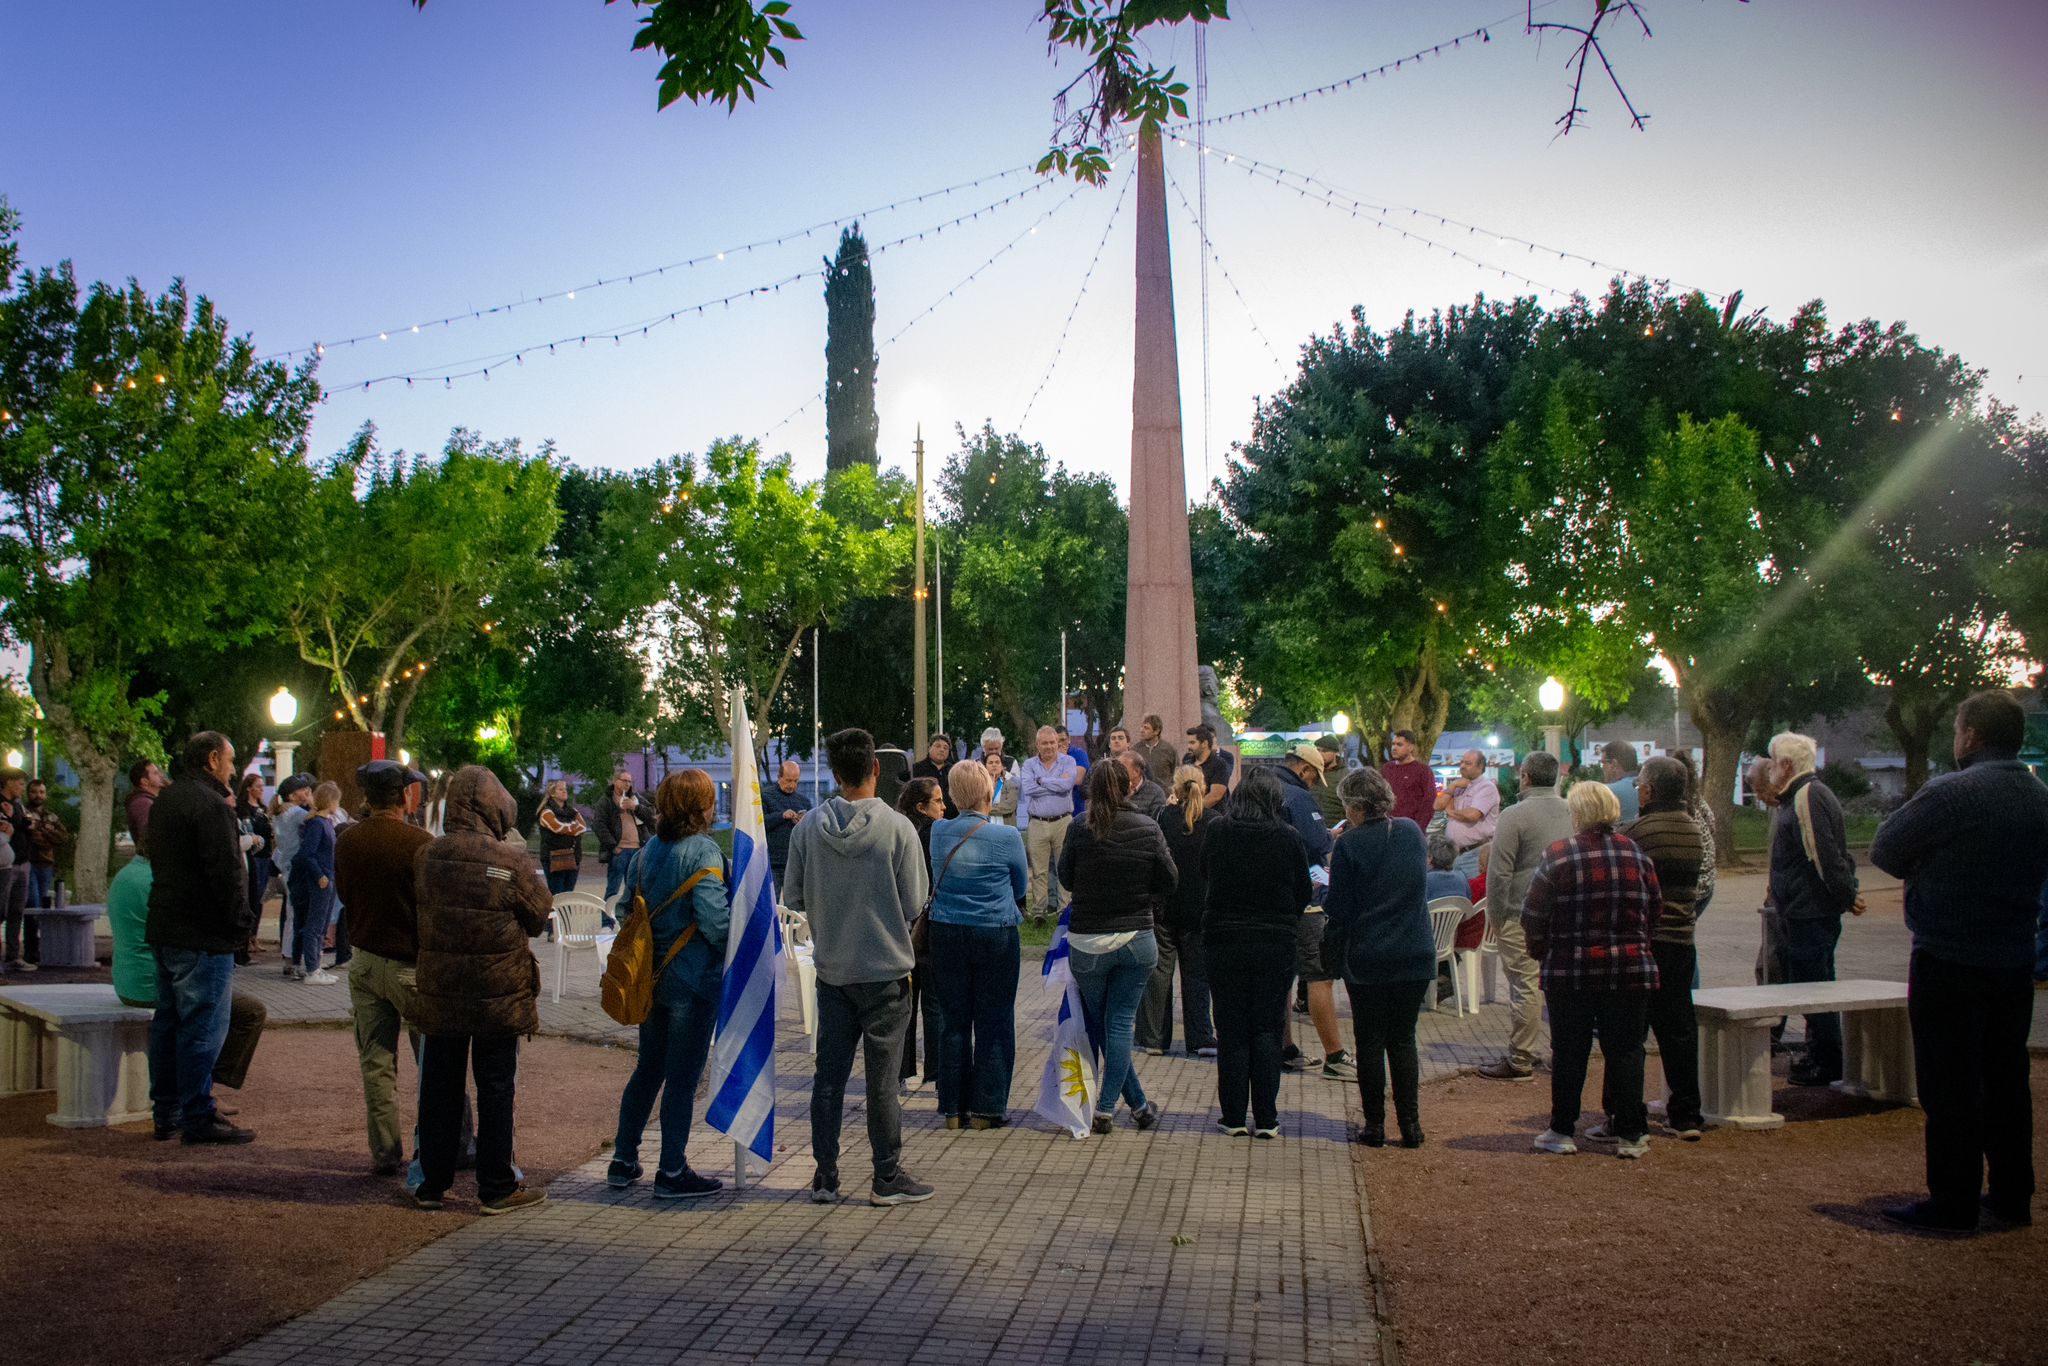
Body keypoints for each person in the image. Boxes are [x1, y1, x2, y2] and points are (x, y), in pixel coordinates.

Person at [1870, 689, 2048, 1233]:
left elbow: (1886, 848)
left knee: (1950, 1083)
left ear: (1969, 736)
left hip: (1948, 955)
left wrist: (1928, 869)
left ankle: (1953, 1200)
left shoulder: (1952, 793)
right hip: (2013, 955)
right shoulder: (2038, 796)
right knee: (2006, 1077)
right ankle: (2013, 1193)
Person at [782, 727, 934, 1207]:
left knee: (828, 1079)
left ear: (833, 773)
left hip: (833, 971)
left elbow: (793, 897)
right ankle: (885, 1176)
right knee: (882, 1082)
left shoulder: (807, 827)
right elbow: (915, 900)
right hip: (886, 971)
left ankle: (825, 1175)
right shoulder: (898, 828)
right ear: (874, 768)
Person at [410, 765, 553, 1215]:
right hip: (498, 992)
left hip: (442, 989)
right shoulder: (509, 861)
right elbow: (538, 914)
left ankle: (431, 1183)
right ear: (495, 809)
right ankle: (496, 1187)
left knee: (439, 1087)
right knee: (496, 1087)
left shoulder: (428, 856)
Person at [608, 769, 732, 1199]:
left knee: (647, 1070)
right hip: (694, 981)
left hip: (649, 979)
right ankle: (673, 1170)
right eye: (711, 800)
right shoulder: (704, 852)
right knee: (682, 1078)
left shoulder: (647, 853)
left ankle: (623, 1160)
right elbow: (716, 922)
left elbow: (626, 909)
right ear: (699, 808)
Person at [1523, 780, 1663, 1159]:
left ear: (1577, 813)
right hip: (1631, 968)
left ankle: (1562, 1130)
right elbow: (1654, 909)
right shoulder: (1636, 854)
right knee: (1627, 1051)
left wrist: (1542, 952)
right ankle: (1631, 1134)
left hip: (1571, 970)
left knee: (1570, 1051)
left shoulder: (1558, 855)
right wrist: (1638, 944)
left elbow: (1533, 914)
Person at [110, 837, 267, 1140]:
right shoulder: (155, 879)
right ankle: (203, 1090)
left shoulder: (128, 873)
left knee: (192, 1015)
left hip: (130, 977)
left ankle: (187, 1098)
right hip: (149, 981)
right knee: (245, 1012)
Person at [144, 732, 258, 1145]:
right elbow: (225, 873)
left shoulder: (167, 801)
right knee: (202, 1027)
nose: (233, 768)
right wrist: (241, 923)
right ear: (212, 759)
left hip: (167, 926)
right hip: (202, 934)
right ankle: (196, 1115)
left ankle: (166, 1111)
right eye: (230, 759)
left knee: (169, 1022)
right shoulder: (210, 805)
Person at [1058, 760, 1176, 1135]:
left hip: (1088, 942)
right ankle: (1129, 1105)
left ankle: (1112, 1107)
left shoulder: (1080, 827)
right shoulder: (1148, 826)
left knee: (1108, 1025)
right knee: (1120, 1024)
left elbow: (1064, 876)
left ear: (1090, 789)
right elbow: (1170, 879)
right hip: (1137, 938)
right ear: (1129, 788)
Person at [334, 759, 438, 1179]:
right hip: (409, 964)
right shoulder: (420, 842)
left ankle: (385, 1151)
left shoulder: (347, 840)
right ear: (403, 795)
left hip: (363, 961)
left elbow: (345, 895)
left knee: (376, 1063)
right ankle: (441, 1144)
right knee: (434, 1063)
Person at [1325, 766, 1435, 1148]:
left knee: (1369, 1041)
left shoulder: (1349, 845)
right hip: (1414, 952)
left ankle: (1374, 1126)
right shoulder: (1411, 832)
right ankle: (1411, 1126)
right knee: (1403, 1039)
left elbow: (1338, 907)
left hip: (1368, 957)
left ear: (1355, 805)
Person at [1201, 767, 1312, 1138]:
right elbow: (1303, 891)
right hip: (1274, 942)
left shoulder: (1218, 831)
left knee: (1231, 1028)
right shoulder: (1287, 837)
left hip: (1224, 940)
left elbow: (1205, 875)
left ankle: (1233, 1116)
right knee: (1267, 1028)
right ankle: (1267, 1117)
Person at [927, 760, 1028, 1130]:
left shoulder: (939, 832)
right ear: (989, 793)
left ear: (953, 795)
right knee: (995, 1020)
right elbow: (1020, 886)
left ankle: (953, 1108)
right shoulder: (1007, 837)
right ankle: (987, 1109)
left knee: (953, 1021)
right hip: (995, 932)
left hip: (947, 931)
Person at [1768, 731, 1861, 1087]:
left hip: (1809, 911)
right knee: (1814, 984)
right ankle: (1821, 1055)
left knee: (1814, 987)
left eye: (1774, 763)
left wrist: (1847, 895)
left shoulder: (1808, 796)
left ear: (1787, 765)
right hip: (1804, 909)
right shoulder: (1807, 795)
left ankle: (1827, 1060)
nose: (1772, 770)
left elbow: (1824, 854)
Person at [1621, 756, 1707, 1140]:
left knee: (1631, 1035)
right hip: (1682, 940)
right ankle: (1686, 1113)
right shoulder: (1692, 829)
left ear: (1650, 790)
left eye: (1640, 784)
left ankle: (1627, 1115)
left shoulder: (1642, 832)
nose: (1637, 790)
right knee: (1679, 1029)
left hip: (1647, 942)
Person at [1475, 752, 1572, 1082]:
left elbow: (1499, 871)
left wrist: (1496, 915)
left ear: (1526, 777)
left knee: (1525, 985)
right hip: (1566, 911)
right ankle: (1563, 1052)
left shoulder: (1514, 815)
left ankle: (1520, 1057)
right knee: (1560, 985)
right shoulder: (1572, 810)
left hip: (1521, 911)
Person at [1272, 745, 1347, 1078]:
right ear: (1303, 769)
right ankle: (1335, 1055)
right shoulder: (1299, 798)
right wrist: (1329, 837)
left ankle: (1284, 1047)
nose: (1314, 783)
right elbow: (1318, 845)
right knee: (1320, 976)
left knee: (1280, 978)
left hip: (1270, 901)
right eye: (1314, 776)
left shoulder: (1255, 787)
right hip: (1306, 899)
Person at [1145, 764, 1219, 1060]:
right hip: (1200, 908)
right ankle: (1201, 1036)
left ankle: (1155, 1038)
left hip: (1166, 906)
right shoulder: (1214, 821)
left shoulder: (1164, 817)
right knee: (1197, 975)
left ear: (1174, 788)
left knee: (1160, 972)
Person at [895, 776, 946, 1088]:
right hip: (931, 926)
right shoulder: (935, 835)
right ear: (921, 807)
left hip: (902, 928)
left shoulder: (899, 833)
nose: (944, 806)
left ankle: (901, 1071)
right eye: (938, 801)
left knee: (904, 1005)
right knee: (934, 1004)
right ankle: (937, 1073)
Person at [1020, 725, 1079, 924]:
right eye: (1044, 743)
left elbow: (1066, 786)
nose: (1049, 747)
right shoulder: (1029, 765)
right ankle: (1039, 912)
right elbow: (1028, 788)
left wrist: (1041, 781)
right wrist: (1053, 782)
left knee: (1065, 866)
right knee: (1039, 871)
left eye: (1053, 742)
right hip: (1037, 822)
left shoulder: (1068, 761)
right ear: (1037, 745)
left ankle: (1064, 910)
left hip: (1063, 820)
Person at [287, 782, 342, 984]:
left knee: (319, 923)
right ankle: (312, 968)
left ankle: (313, 965)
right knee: (315, 924)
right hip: (321, 880)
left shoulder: (322, 822)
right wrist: (320, 875)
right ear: (331, 801)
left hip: (327, 878)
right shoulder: (318, 824)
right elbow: (307, 854)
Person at [270, 775, 314, 973]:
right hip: (296, 869)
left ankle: (290, 957)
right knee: (296, 915)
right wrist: (314, 803)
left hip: (286, 867)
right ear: (293, 795)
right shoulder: (296, 813)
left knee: (291, 914)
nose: (308, 793)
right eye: (305, 790)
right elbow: (318, 818)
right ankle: (293, 958)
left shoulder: (281, 813)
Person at [594, 769, 651, 919]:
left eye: (630, 781)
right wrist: (614, 846)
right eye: (624, 780)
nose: (627, 784)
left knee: (633, 889)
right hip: (620, 851)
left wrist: (635, 807)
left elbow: (651, 815)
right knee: (613, 889)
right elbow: (599, 825)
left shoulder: (635, 798)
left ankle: (630, 921)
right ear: (615, 781)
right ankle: (606, 922)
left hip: (637, 849)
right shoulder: (607, 800)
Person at [1434, 750, 1499, 879]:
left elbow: (1472, 815)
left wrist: (1450, 811)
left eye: (1468, 763)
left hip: (1475, 854)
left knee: (1472, 895)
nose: (1462, 766)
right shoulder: (1458, 786)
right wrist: (1452, 786)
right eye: (1462, 762)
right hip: (1454, 855)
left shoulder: (1486, 787)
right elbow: (1437, 806)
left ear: (1480, 767)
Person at [233, 773, 273, 967]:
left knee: (259, 897)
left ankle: (254, 936)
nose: (261, 789)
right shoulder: (242, 810)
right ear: (249, 787)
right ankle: (246, 938)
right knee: (251, 895)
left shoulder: (263, 809)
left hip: (265, 854)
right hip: (252, 856)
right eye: (258, 785)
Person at [0, 770, 33, 971]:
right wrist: (12, 820)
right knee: (1, 909)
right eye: (20, 784)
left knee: (17, 910)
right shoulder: (2, 805)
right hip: (5, 867)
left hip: (22, 861)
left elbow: (19, 826)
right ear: (9, 783)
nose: (22, 788)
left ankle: (13, 955)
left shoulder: (18, 805)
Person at [758, 759, 811, 884]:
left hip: (795, 861)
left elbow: (811, 830)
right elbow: (759, 824)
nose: (792, 785)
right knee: (772, 902)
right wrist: (781, 816)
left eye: (796, 781)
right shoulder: (765, 796)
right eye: (788, 780)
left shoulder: (804, 801)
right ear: (779, 777)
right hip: (772, 862)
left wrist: (804, 822)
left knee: (795, 902)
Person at [24, 777, 68, 914]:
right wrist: (48, 834)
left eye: (42, 792)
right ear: (28, 793)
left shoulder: (51, 817)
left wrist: (43, 832)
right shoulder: (23, 814)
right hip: (29, 862)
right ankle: (31, 935)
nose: (38, 795)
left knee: (43, 903)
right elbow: (32, 838)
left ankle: (39, 933)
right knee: (33, 902)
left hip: (46, 864)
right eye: (34, 792)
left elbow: (63, 837)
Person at [1379, 730, 1438, 830]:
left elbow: (1429, 802)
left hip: (1411, 828)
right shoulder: (1386, 769)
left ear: (1411, 747)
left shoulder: (1423, 771)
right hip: (1387, 828)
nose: (1394, 748)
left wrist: (1417, 828)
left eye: (1399, 745)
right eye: (1393, 744)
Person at [537, 779, 586, 897]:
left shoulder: (573, 811)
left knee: (568, 895)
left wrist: (568, 828)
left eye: (565, 789)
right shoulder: (546, 812)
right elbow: (557, 828)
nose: (565, 791)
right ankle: (554, 916)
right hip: (554, 859)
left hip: (573, 858)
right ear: (553, 793)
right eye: (561, 789)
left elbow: (583, 827)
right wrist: (573, 827)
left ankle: (566, 916)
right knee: (557, 895)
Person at [1184, 723, 1233, 808]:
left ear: (1204, 744)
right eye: (1188, 743)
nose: (1188, 746)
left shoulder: (1219, 764)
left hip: (1213, 816)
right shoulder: (1187, 760)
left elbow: (1215, 796)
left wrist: (1194, 809)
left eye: (1192, 743)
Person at [912, 735, 958, 820]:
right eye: (938, 746)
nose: (942, 750)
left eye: (945, 748)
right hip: (924, 818)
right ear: (929, 748)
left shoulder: (954, 771)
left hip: (951, 817)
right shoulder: (916, 769)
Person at [125, 758, 167, 850]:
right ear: (144, 781)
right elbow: (149, 836)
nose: (161, 775)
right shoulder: (142, 803)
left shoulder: (149, 801)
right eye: (155, 773)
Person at [1118, 749, 1168, 821]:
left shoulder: (1156, 793)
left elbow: (1156, 823)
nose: (1117, 772)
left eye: (1122, 769)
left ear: (1136, 772)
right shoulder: (1113, 789)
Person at [1310, 736, 1349, 827]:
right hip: (1314, 827)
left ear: (1335, 752)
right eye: (1318, 750)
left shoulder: (1345, 776)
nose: (1320, 753)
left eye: (1324, 751)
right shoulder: (1311, 773)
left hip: (1337, 827)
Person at [1599, 742, 1642, 823]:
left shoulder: (1606, 791)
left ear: (1614, 764)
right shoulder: (1649, 787)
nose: (1602, 768)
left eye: (1603, 763)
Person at [1132, 713, 1177, 788]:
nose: (1141, 730)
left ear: (1156, 731)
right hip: (1142, 794)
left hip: (1164, 795)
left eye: (1146, 728)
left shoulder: (1169, 750)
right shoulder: (1135, 750)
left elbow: (1176, 773)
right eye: (1141, 727)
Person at [1058, 724, 1091, 818]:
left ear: (1069, 739)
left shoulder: (1079, 754)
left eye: (1063, 740)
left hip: (1076, 810)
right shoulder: (1050, 758)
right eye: (1056, 741)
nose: (1060, 744)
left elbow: (1077, 779)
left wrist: (1063, 759)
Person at [985, 750, 1019, 826]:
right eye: (990, 763)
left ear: (1002, 767)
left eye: (997, 762)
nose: (994, 765)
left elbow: (1009, 806)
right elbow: (976, 806)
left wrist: (986, 808)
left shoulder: (1011, 785)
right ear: (985, 766)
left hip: (1006, 827)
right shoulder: (979, 786)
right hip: (984, 828)